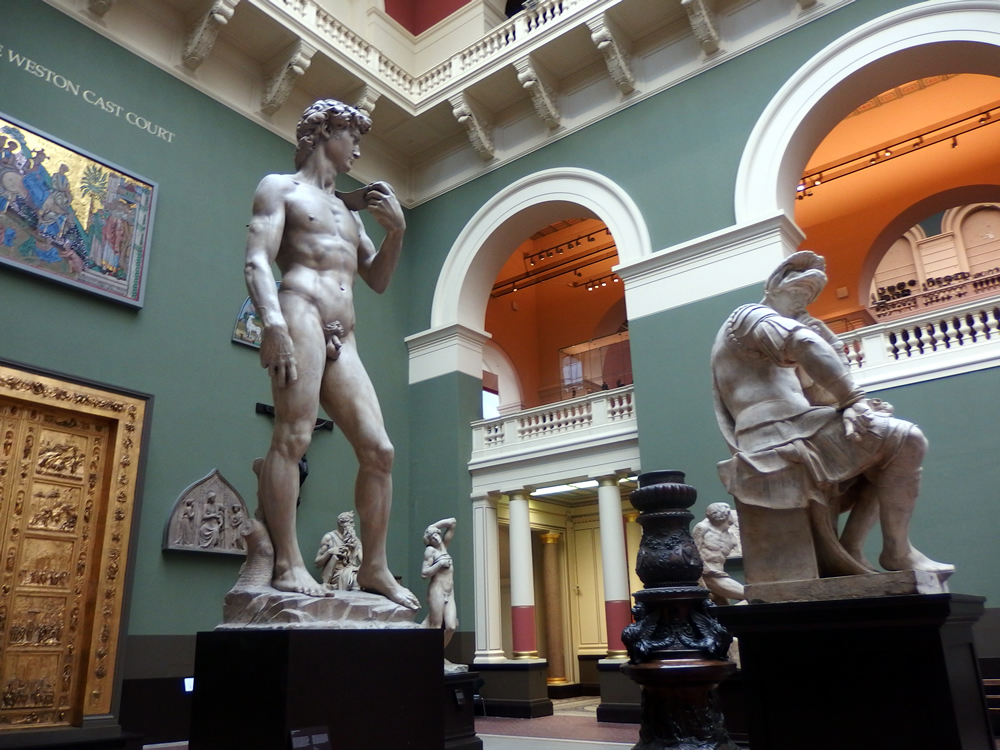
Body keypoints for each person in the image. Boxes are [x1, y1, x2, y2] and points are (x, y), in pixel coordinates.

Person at [244, 98, 417, 607]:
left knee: (379, 451)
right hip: (299, 311)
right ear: (324, 133)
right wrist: (273, 324)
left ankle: (375, 568)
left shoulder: (348, 211)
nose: (357, 150)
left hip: (345, 332)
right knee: (294, 435)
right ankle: (287, 562)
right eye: (352, 138)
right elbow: (257, 260)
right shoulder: (280, 188)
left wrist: (397, 231)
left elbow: (377, 279)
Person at [711, 251, 952, 576]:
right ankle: (897, 551)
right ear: (773, 289)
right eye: (796, 293)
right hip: (774, 430)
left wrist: (852, 407)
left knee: (888, 444)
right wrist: (852, 399)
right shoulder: (749, 316)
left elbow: (819, 394)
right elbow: (804, 344)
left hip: (800, 424)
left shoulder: (777, 338)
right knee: (907, 439)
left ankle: (853, 547)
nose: (801, 304)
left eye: (806, 298)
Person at [692, 502, 744, 603]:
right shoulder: (703, 527)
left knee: (721, 611)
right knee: (751, 596)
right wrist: (699, 581)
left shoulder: (732, 538)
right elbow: (693, 553)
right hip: (708, 574)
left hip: (720, 575)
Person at [420, 518, 457, 647]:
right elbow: (424, 573)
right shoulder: (430, 551)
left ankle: (438, 653)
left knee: (451, 626)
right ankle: (433, 655)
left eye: (436, 534)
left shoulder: (444, 547)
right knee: (436, 626)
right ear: (429, 541)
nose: (435, 538)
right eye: (432, 537)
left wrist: (432, 527)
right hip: (437, 590)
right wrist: (439, 564)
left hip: (450, 592)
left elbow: (452, 522)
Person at [315, 510, 362, 590]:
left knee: (365, 579)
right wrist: (330, 552)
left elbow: (363, 561)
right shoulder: (329, 538)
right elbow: (317, 563)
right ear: (341, 524)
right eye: (350, 523)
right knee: (355, 581)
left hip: (352, 571)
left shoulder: (355, 540)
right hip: (337, 574)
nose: (353, 525)